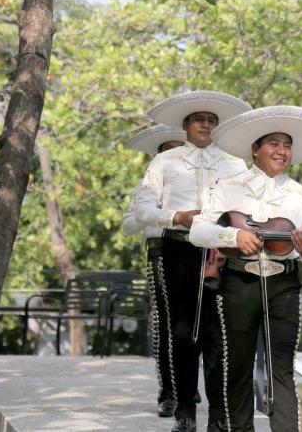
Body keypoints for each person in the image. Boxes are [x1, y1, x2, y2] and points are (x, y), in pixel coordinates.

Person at [189, 105, 302, 432]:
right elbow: (198, 232)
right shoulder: (228, 185)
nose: (281, 151)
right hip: (238, 282)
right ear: (255, 149)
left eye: (286, 145)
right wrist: (233, 235)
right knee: (237, 367)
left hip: (283, 285)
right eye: (273, 143)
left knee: (281, 369)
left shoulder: (301, 196)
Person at [133, 90, 251, 432]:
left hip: (221, 251)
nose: (206, 124)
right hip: (178, 250)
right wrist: (178, 216)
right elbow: (143, 210)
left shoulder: (234, 163)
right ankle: (184, 411)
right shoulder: (163, 162)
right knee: (183, 332)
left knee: (219, 334)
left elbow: (245, 210)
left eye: (212, 120)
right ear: (185, 125)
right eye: (199, 119)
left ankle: (219, 416)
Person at [122, 124, 186, 418]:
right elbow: (127, 226)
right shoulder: (147, 186)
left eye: (178, 149)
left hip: (192, 253)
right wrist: (150, 211)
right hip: (159, 252)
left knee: (192, 324)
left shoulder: (195, 185)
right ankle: (168, 393)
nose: (173, 155)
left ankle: (187, 386)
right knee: (163, 323)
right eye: (167, 150)